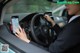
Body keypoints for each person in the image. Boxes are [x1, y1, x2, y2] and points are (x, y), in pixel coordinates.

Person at [15, 0, 80, 53]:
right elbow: (64, 35)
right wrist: (53, 23)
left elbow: (50, 51)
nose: (66, 4)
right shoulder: (75, 20)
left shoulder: (75, 27)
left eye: (70, 0)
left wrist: (26, 41)